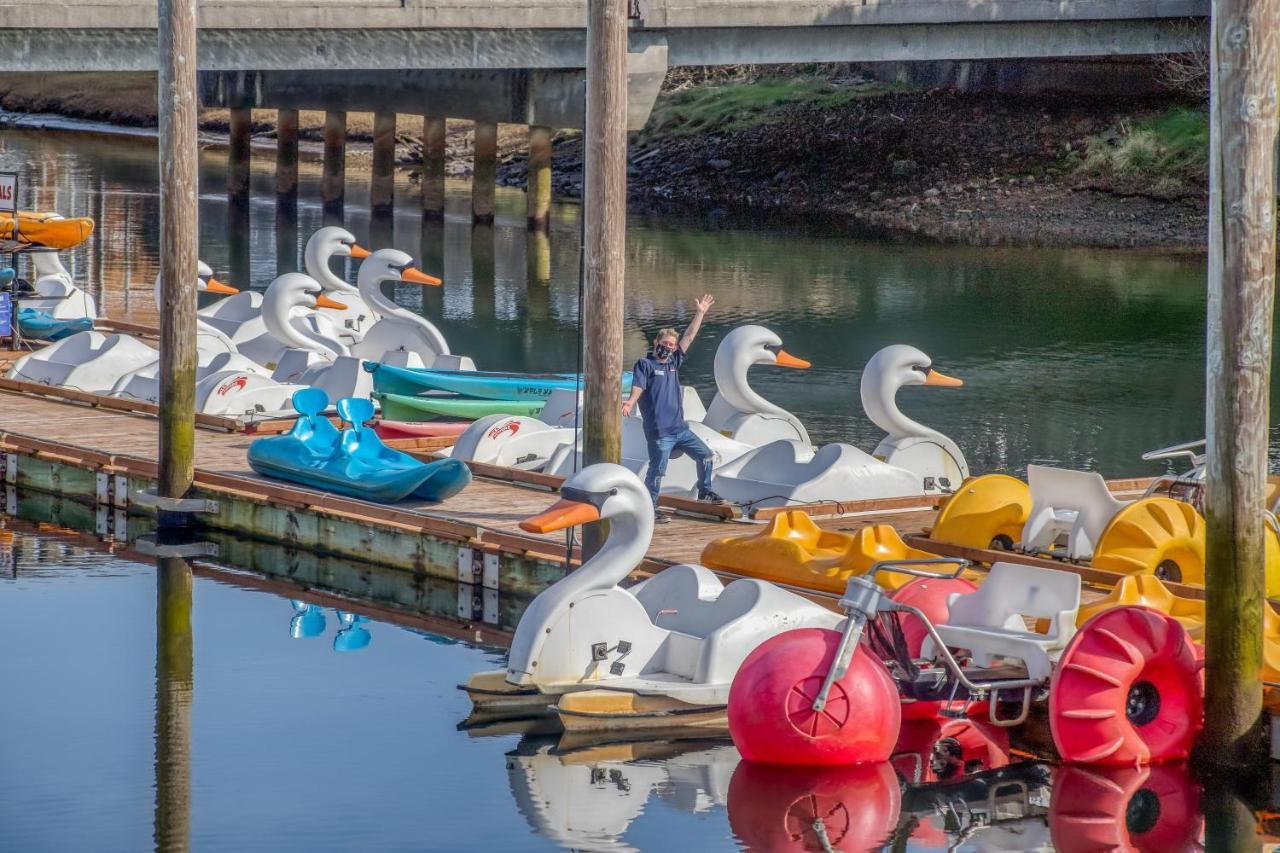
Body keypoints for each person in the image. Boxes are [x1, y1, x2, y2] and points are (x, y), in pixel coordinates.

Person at [622, 294, 723, 522]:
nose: (667, 348)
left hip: (681, 429)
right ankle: (650, 507)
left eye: (671, 345)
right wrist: (630, 401)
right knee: (657, 471)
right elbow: (638, 386)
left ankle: (705, 492)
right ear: (656, 343)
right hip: (660, 433)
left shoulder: (674, 362)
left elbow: (688, 337)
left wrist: (700, 313)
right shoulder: (645, 364)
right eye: (664, 344)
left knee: (706, 456)